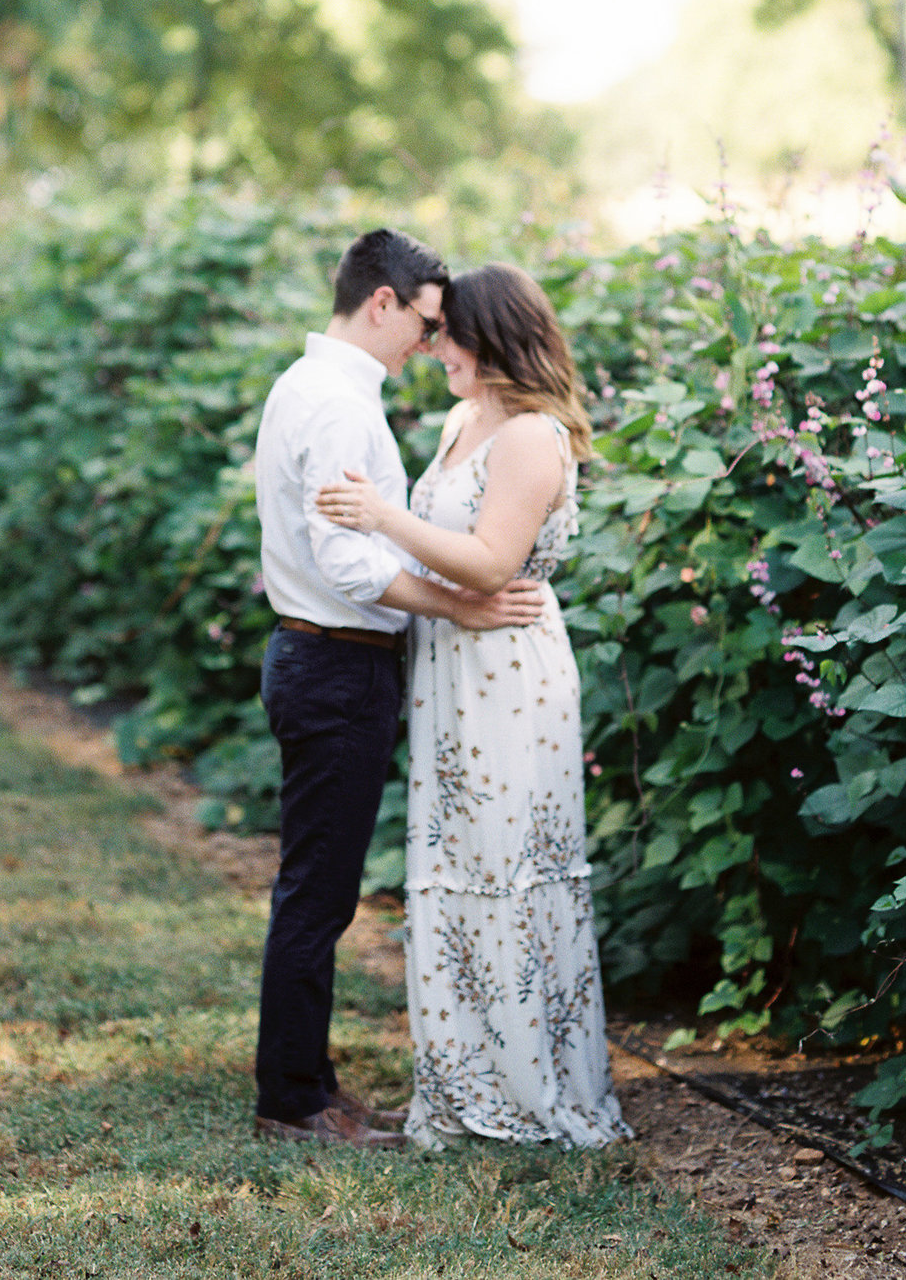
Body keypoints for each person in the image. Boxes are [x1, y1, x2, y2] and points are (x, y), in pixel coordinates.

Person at [316, 262, 629, 1151]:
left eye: (449, 331)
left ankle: (532, 1091)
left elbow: (491, 562)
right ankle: (465, 1086)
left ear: (493, 338)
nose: (434, 345)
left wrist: (378, 516)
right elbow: (450, 562)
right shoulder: (461, 420)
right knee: (454, 868)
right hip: (452, 665)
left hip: (509, 669)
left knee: (508, 870)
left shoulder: (533, 435)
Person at [252, 228, 547, 1148]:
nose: (430, 342)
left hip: (325, 658)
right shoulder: (337, 405)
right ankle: (294, 1098)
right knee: (319, 889)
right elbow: (348, 561)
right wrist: (456, 609)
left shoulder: (317, 388)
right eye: (424, 321)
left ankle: (310, 1083)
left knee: (322, 883)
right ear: (382, 301)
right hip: (337, 661)